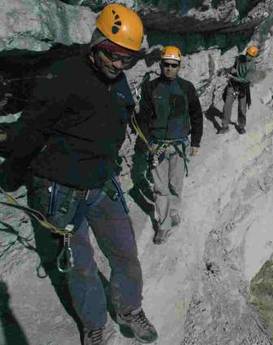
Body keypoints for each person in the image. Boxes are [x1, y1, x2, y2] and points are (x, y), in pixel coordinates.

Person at [0, 4, 157, 345]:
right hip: (60, 191)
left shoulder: (119, 82)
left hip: (101, 185)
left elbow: (119, 121)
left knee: (125, 254)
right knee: (81, 265)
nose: (118, 65)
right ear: (95, 41)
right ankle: (93, 325)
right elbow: (29, 132)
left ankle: (129, 310)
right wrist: (9, 176)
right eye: (112, 55)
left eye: (127, 59)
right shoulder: (62, 78)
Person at [136, 45, 203, 244]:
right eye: (166, 64)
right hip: (157, 146)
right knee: (159, 188)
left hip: (179, 146)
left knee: (176, 184)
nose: (170, 69)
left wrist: (196, 141)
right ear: (161, 64)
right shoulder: (151, 88)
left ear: (179, 66)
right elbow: (144, 119)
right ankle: (163, 226)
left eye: (174, 65)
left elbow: (196, 115)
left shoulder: (187, 88)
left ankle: (173, 210)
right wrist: (149, 142)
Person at [217, 45, 258, 135]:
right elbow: (234, 66)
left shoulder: (252, 67)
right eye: (247, 54)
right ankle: (225, 126)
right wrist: (227, 70)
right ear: (246, 52)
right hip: (233, 85)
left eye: (250, 56)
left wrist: (232, 76)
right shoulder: (239, 58)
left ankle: (241, 126)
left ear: (253, 57)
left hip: (243, 87)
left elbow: (245, 80)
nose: (248, 56)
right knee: (227, 105)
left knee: (242, 108)